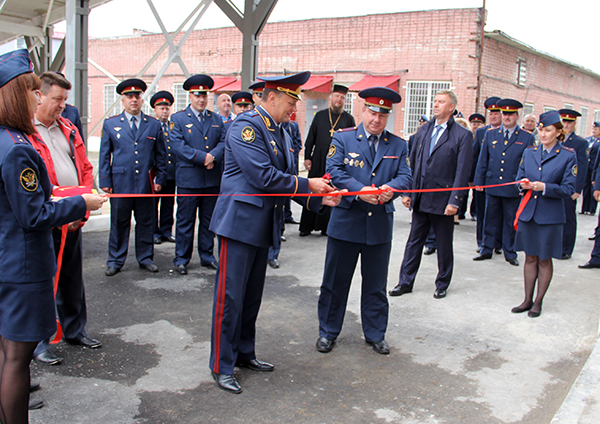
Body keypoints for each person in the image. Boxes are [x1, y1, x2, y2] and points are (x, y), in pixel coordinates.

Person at [208, 71, 342, 394]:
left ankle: (244, 353)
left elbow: (284, 178)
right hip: (238, 225)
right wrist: (308, 184)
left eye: (295, 102)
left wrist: (316, 198)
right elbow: (264, 177)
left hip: (262, 226)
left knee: (251, 298)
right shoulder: (245, 126)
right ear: (271, 98)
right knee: (229, 299)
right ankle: (221, 365)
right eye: (289, 101)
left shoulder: (280, 129)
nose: (293, 108)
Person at [0, 48, 105, 424]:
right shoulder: (16, 149)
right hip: (21, 264)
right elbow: (34, 214)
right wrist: (83, 204)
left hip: (7, 256)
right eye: (32, 91)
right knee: (18, 358)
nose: (37, 98)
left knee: (7, 353)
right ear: (18, 95)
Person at [316, 87, 411, 355]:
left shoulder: (399, 144)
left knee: (375, 284)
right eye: (372, 112)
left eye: (383, 114)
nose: (376, 119)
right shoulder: (344, 139)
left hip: (379, 224)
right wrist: (361, 192)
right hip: (346, 222)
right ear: (363, 111)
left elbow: (406, 176)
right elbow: (333, 170)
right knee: (335, 282)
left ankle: (375, 333)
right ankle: (328, 332)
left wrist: (390, 189)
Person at [28, 71, 102, 367]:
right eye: (57, 99)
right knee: (44, 281)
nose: (62, 105)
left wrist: (80, 210)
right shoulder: (24, 131)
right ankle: (39, 342)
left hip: (71, 216)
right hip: (44, 217)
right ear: (40, 96)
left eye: (64, 100)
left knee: (72, 277)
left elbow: (84, 168)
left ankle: (75, 330)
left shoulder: (68, 127)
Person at [389, 89, 472, 299]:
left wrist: (455, 201)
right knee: (413, 242)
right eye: (434, 101)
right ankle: (405, 282)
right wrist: (407, 192)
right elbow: (412, 164)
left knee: (443, 245)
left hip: (443, 201)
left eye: (441, 102)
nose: (435, 105)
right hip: (421, 198)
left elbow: (462, 172)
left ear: (451, 107)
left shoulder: (462, 135)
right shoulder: (424, 131)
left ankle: (442, 283)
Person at [99, 78, 167, 276]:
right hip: (121, 183)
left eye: (137, 96)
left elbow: (161, 156)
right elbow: (105, 155)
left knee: (146, 222)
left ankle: (145, 258)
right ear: (123, 100)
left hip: (146, 184)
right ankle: (115, 260)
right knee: (119, 223)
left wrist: (160, 180)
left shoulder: (153, 125)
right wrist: (105, 181)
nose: (134, 100)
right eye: (129, 96)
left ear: (141, 99)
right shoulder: (111, 124)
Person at [511, 111, 576, 317]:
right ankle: (527, 299)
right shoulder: (530, 152)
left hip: (550, 216)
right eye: (541, 129)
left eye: (548, 130)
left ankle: (538, 302)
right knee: (530, 257)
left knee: (545, 259)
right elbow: (519, 178)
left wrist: (544, 187)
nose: (543, 134)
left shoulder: (567, 155)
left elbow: (568, 189)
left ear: (558, 132)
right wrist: (522, 186)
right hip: (529, 213)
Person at [170, 74, 226, 275]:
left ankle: (207, 256)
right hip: (189, 180)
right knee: (185, 221)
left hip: (211, 180)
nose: (201, 99)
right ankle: (181, 258)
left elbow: (224, 142)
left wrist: (214, 156)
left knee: (209, 222)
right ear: (190, 96)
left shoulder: (217, 119)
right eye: (196, 95)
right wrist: (204, 158)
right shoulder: (178, 119)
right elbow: (178, 145)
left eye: (203, 95)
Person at [473, 99, 535, 266]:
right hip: (492, 184)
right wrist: (479, 180)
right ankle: (486, 248)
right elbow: (482, 159)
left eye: (510, 114)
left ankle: (510, 251)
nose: (507, 117)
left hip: (512, 187)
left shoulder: (526, 137)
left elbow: (529, 162)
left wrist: (524, 183)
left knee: (510, 221)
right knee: (489, 218)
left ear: (517, 115)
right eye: (505, 114)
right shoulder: (491, 134)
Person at [300, 84, 355, 236]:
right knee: (313, 189)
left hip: (337, 162)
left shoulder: (348, 119)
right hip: (318, 159)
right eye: (337, 96)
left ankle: (326, 228)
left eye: (342, 97)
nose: (339, 100)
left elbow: (353, 143)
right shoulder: (320, 115)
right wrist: (307, 157)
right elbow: (310, 138)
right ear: (331, 97)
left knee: (332, 192)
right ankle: (306, 226)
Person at [472, 98, 503, 254]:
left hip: (502, 182)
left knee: (500, 215)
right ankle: (482, 242)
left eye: (497, 113)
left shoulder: (507, 133)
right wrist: (474, 179)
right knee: (483, 213)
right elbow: (475, 156)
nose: (493, 116)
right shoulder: (482, 132)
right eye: (491, 113)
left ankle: (498, 243)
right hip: (484, 180)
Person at [558, 109, 589, 260]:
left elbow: (582, 167)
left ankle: (566, 249)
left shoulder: (580, 142)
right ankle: (556, 245)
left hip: (569, 186)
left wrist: (578, 188)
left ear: (575, 124)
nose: (566, 125)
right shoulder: (556, 139)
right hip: (555, 185)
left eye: (569, 122)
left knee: (568, 218)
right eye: (564, 121)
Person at [150, 90, 177, 245]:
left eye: (167, 108)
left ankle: (166, 230)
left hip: (171, 172)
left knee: (168, 204)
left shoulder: (173, 127)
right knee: (154, 204)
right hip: (156, 173)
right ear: (155, 110)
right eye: (161, 108)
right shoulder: (152, 126)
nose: (164, 111)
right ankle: (154, 232)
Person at [582, 121, 600, 215]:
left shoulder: (599, 141)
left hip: (594, 167)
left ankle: (592, 209)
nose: (594, 130)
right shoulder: (588, 139)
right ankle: (584, 208)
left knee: (593, 187)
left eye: (596, 129)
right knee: (586, 187)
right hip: (587, 167)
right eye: (593, 129)